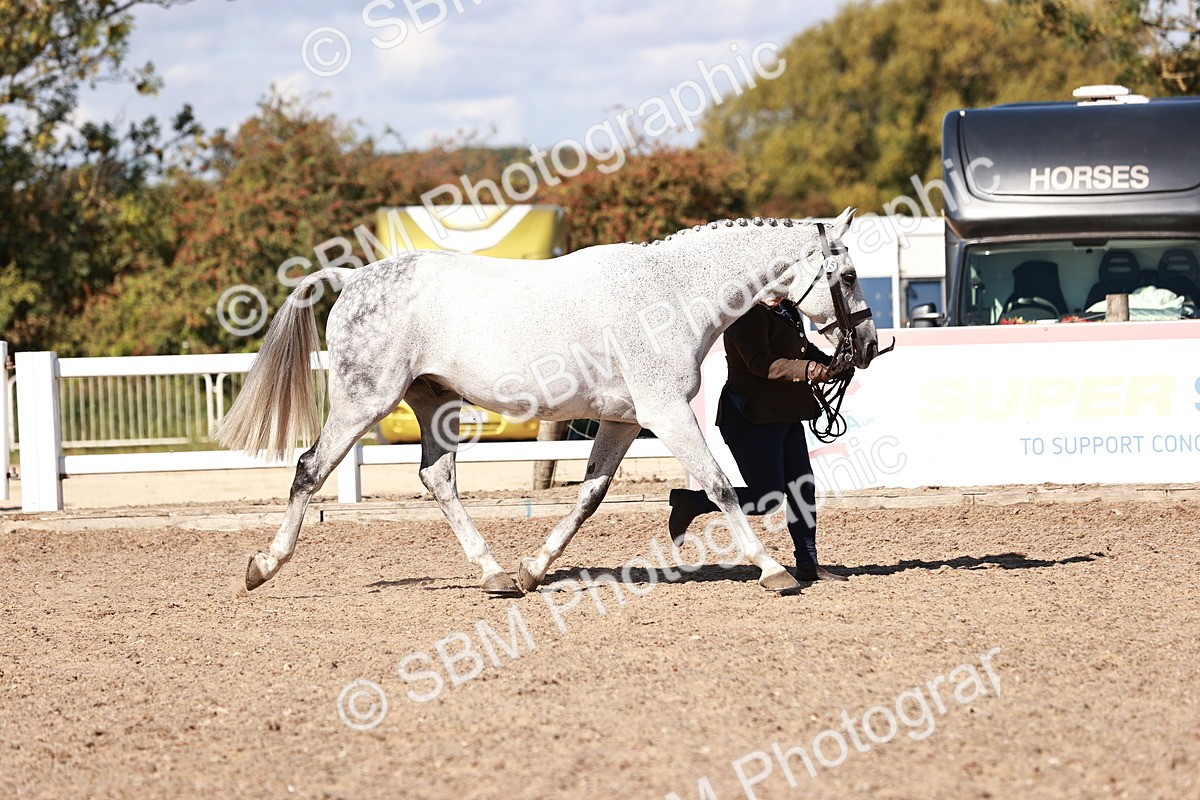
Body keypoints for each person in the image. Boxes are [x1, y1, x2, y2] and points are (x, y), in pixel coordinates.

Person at [667, 297, 848, 582]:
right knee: (768, 498)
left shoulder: (786, 309)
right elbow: (761, 364)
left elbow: (800, 348)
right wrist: (809, 370)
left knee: (803, 489)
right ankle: (694, 503)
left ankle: (808, 563)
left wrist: (832, 364)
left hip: (785, 413)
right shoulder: (744, 314)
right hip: (751, 417)